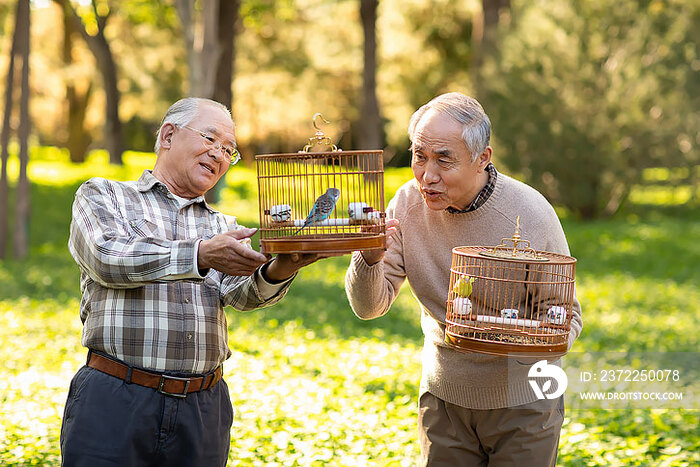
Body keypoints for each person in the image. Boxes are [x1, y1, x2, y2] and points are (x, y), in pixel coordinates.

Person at [62, 97, 326, 466]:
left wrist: (281, 268)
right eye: (210, 139)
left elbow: (239, 293)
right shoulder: (105, 196)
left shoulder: (222, 225)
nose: (219, 155)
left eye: (228, 150)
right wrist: (199, 255)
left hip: (203, 407)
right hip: (116, 397)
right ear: (169, 135)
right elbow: (108, 258)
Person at [345, 92, 583, 466]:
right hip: (444, 400)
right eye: (419, 156)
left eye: (444, 160)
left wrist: (518, 342)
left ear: (482, 159)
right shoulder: (406, 205)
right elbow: (368, 307)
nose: (428, 175)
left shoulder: (530, 213)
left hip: (524, 404)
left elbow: (565, 314)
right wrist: (370, 258)